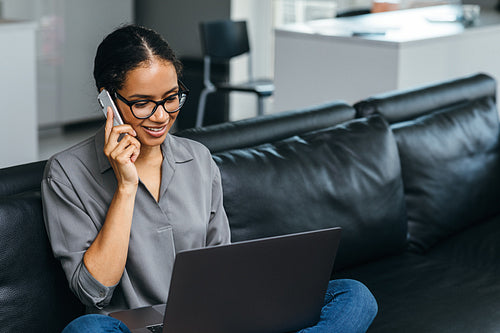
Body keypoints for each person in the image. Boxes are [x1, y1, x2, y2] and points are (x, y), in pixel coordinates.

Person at [41, 24, 378, 333]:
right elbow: (94, 290)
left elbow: (222, 267)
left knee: (354, 294)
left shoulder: (198, 159)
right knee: (85, 330)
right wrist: (126, 187)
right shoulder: (67, 173)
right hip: (135, 328)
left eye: (171, 98)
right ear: (108, 100)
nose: (161, 116)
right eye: (143, 103)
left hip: (211, 322)